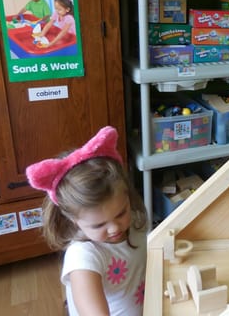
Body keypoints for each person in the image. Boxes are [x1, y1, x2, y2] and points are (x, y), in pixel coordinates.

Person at [26, 126, 148, 315]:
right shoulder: (83, 256)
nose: (115, 227)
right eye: (99, 225)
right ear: (74, 220)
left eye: (121, 213)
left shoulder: (135, 220)